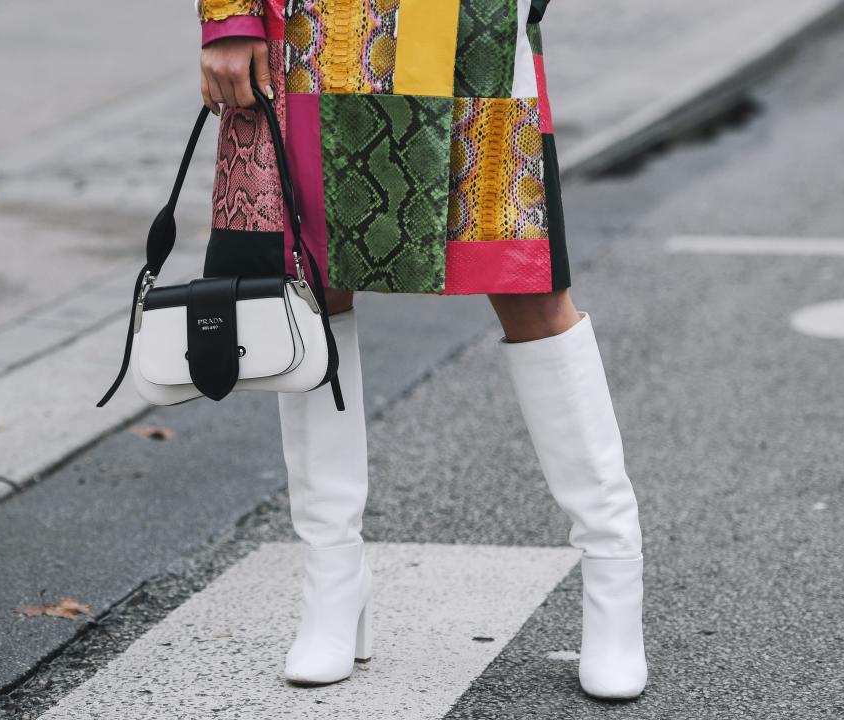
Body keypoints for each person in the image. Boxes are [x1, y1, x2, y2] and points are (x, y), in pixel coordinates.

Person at [196, 0, 646, 699]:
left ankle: (614, 580)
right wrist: (228, 19)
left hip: (474, 22)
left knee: (530, 286)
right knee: (315, 286)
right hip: (318, 25)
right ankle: (332, 585)